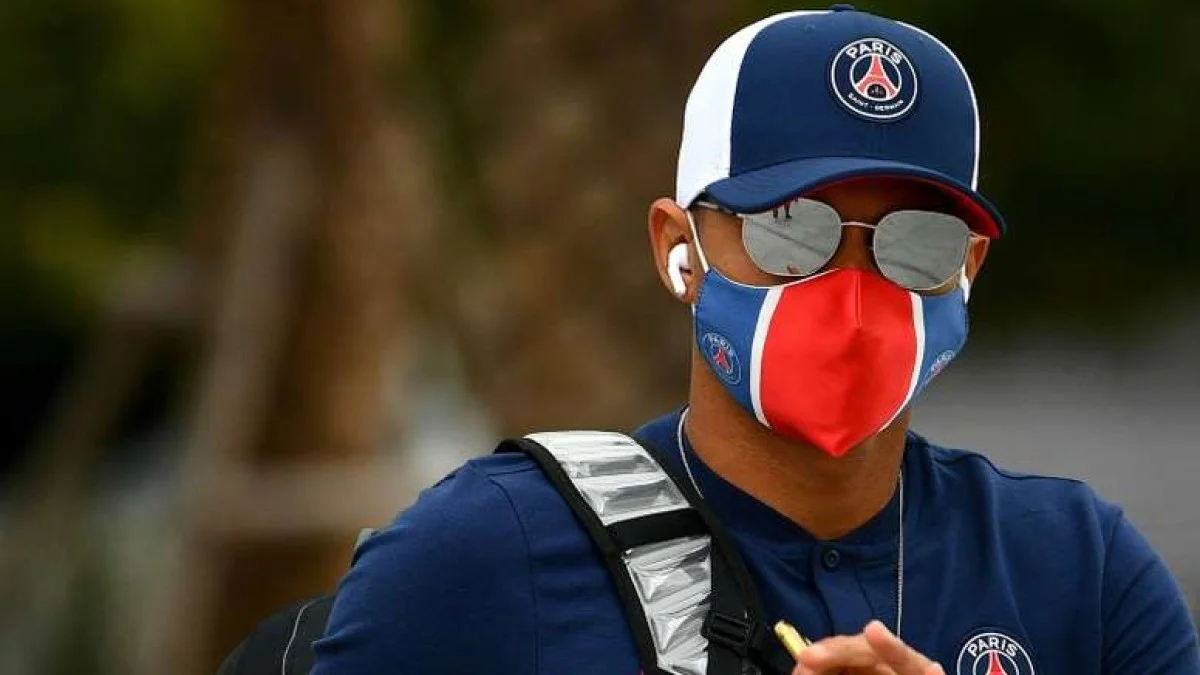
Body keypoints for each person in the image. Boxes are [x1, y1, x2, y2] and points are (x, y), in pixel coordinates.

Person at [310, 6, 1200, 675]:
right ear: (677, 249)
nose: (852, 287)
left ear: (967, 269)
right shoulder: (483, 557)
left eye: (915, 243)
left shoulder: (1076, 569)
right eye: (790, 229)